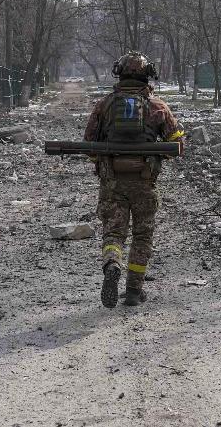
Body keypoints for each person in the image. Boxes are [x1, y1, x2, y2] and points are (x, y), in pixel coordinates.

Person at [83, 51, 184, 308]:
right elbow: (177, 144)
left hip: (112, 183)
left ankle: (112, 264)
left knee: (113, 233)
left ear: (120, 74)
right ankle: (133, 292)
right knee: (142, 236)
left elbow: (89, 145)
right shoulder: (158, 107)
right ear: (147, 75)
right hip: (144, 182)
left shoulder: (104, 105)